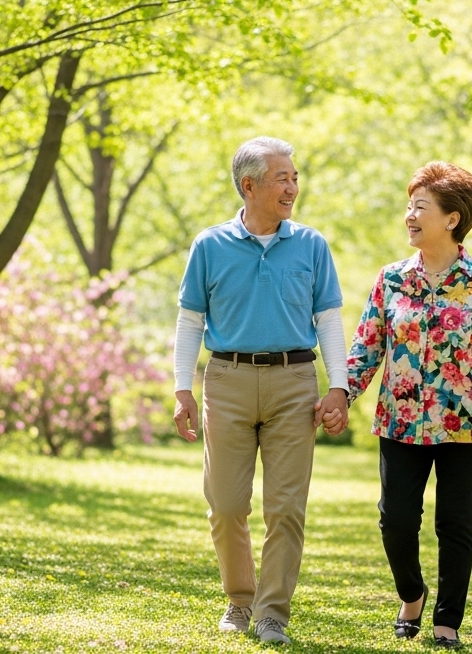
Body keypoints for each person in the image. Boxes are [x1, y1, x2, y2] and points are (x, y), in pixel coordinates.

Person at [172, 137, 350, 646]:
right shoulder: (210, 246)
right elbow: (190, 320)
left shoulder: (311, 244)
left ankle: (272, 613)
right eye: (281, 179)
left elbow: (328, 319)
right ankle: (239, 599)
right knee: (226, 505)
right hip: (226, 380)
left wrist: (338, 386)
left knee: (286, 507)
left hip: (294, 382)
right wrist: (183, 389)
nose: (292, 188)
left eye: (294, 178)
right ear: (249, 186)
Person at [342, 161, 472, 650]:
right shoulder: (391, 279)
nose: (409, 215)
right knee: (396, 519)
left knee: (455, 525)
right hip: (400, 421)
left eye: (420, 206)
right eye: (409, 205)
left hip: (466, 423)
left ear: (452, 218)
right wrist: (342, 394)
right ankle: (412, 594)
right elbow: (366, 346)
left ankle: (447, 622)